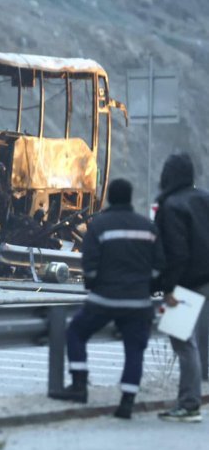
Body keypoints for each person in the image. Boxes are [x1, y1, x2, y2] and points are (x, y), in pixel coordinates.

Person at [48, 179, 165, 420]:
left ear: (110, 198)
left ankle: (79, 386)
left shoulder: (100, 226)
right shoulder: (148, 228)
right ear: (130, 197)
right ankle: (127, 402)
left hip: (104, 299)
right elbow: (159, 267)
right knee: (134, 350)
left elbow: (89, 265)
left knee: (76, 332)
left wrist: (94, 286)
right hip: (138, 303)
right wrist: (148, 288)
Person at [154, 152, 209, 422]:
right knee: (201, 339)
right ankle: (194, 398)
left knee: (182, 341)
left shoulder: (172, 205)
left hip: (187, 281)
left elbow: (176, 253)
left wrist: (169, 288)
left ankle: (189, 404)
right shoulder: (205, 198)